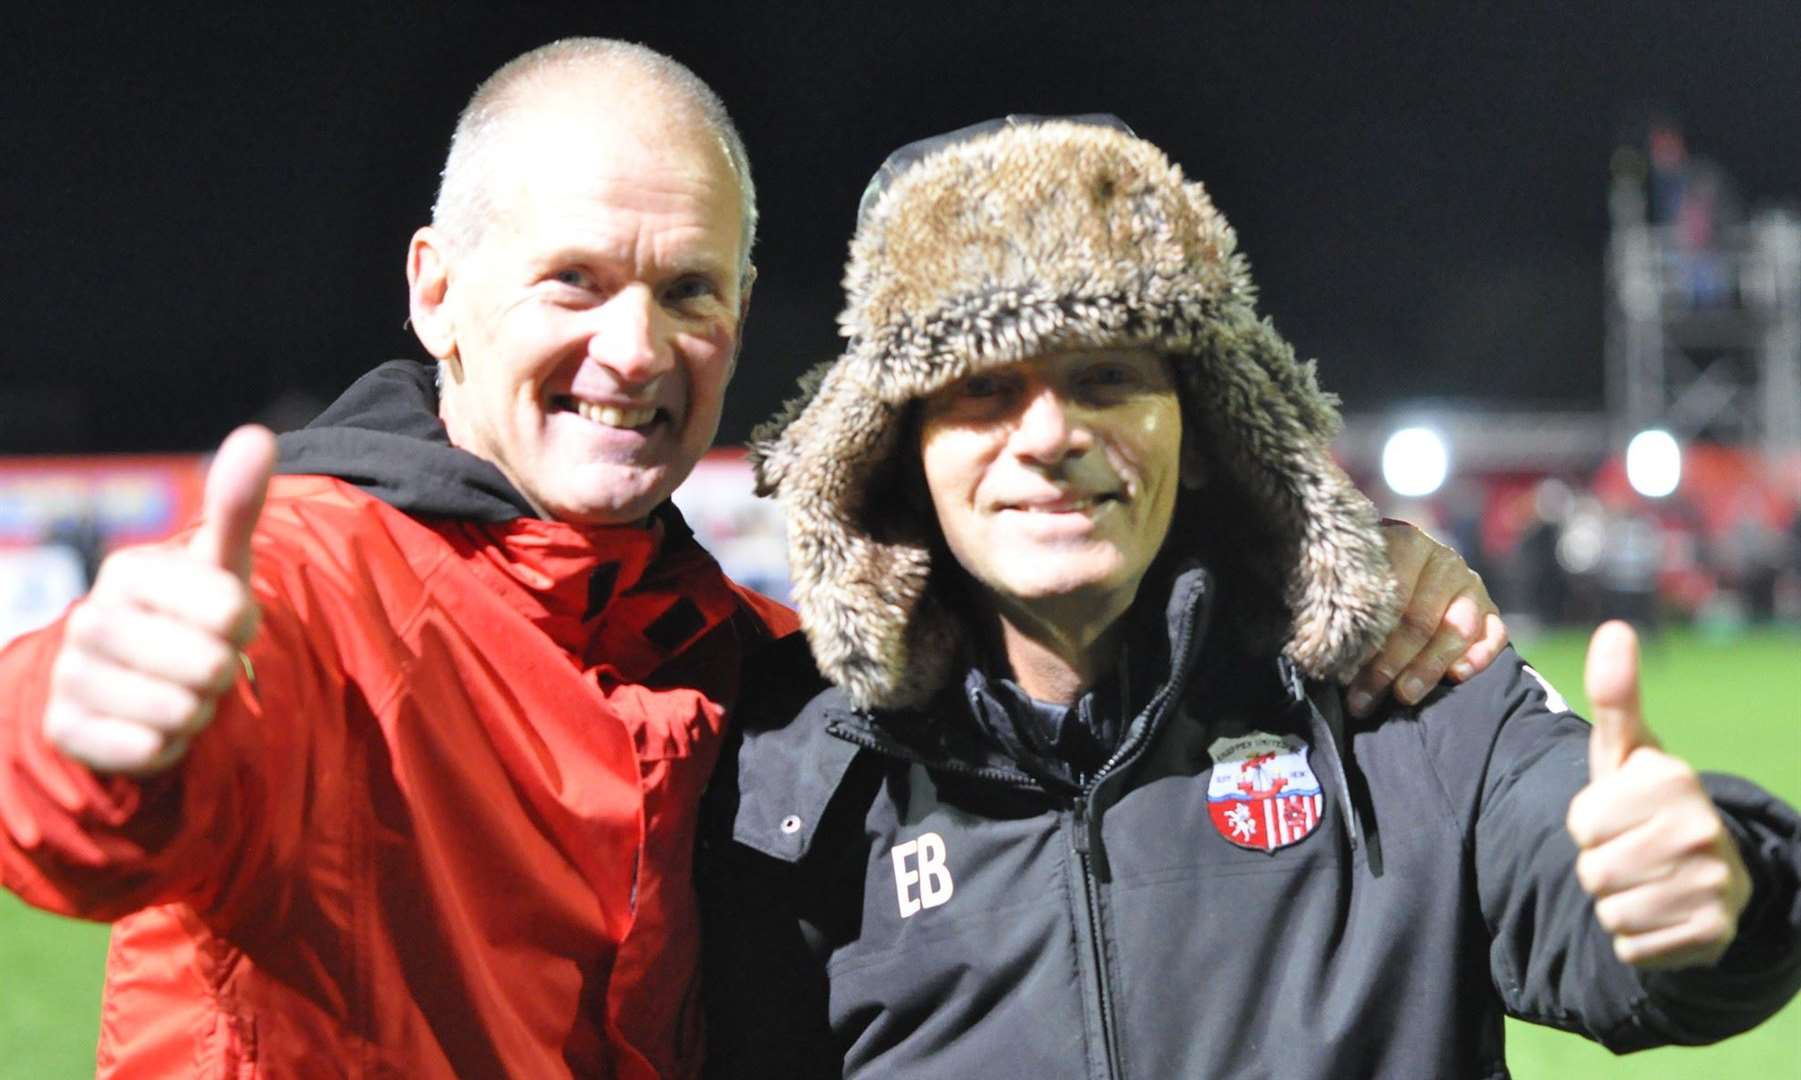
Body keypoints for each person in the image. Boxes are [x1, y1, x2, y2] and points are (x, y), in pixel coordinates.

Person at [0, 46, 1501, 1079]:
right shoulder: (320, 587)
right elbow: (77, 804)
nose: (634, 347)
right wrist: (87, 723)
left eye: (689, 290)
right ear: (438, 290)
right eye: (575, 280)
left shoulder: (749, 660)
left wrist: (1350, 567)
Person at [699, 116, 1801, 1078]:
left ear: (1205, 417)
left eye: (1106, 376)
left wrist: (1710, 887)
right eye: (984, 390)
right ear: (898, 447)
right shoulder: (791, 787)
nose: (1047, 436)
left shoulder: (1396, 684)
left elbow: (1580, 880)